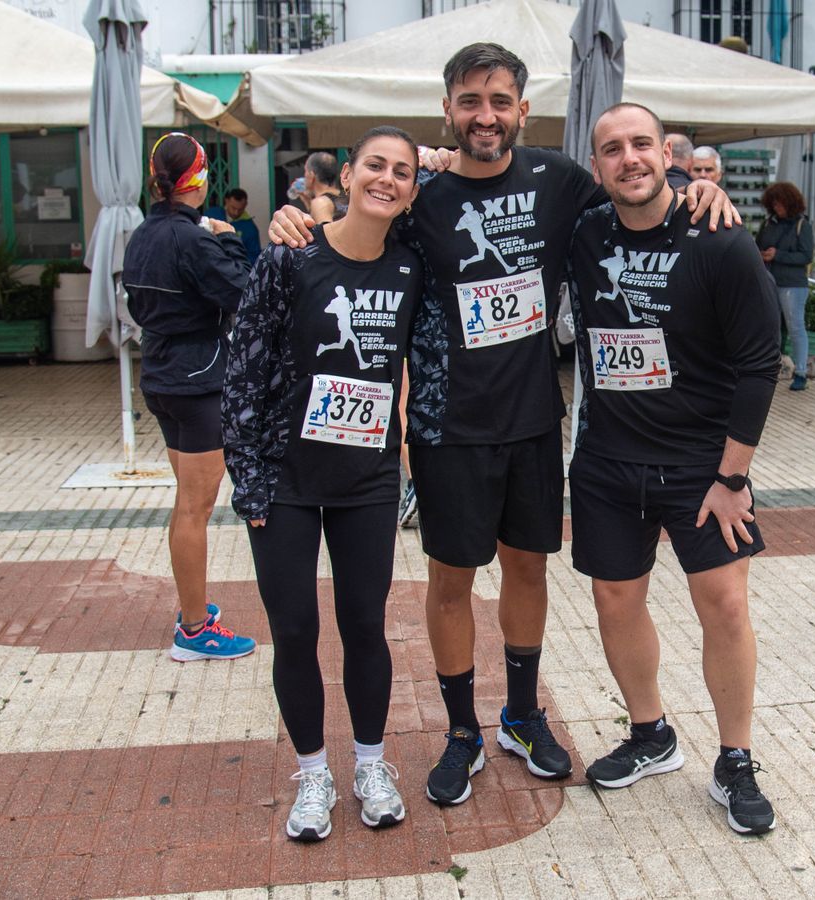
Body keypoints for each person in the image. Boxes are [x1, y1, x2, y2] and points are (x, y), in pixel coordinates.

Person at [266, 42, 736, 808]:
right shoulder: (422, 194)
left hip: (531, 423)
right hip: (446, 427)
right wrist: (300, 214)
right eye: (469, 101)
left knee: (528, 569)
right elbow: (356, 228)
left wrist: (695, 189)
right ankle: (461, 732)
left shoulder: (560, 180)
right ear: (447, 110)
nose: (484, 115)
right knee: (452, 582)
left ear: (522, 109)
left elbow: (637, 187)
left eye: (499, 101)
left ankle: (520, 715)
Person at [568, 102, 780, 834]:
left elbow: (759, 363)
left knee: (723, 603)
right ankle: (650, 733)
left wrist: (732, 477)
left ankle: (736, 758)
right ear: (596, 167)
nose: (628, 159)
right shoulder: (584, 233)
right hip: (607, 460)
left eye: (640, 145)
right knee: (614, 602)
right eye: (611, 150)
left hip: (702, 465)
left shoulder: (717, 238)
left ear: (668, 154)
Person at [224, 125, 424, 843]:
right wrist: (247, 478)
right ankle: (313, 775)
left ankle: (371, 765)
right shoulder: (290, 256)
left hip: (366, 480)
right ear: (346, 174)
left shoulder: (413, 262)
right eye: (376, 165)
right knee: (296, 630)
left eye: (403, 171)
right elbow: (243, 370)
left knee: (364, 627)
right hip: (284, 479)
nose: (388, 180)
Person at [123, 132, 257, 664]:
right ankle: (194, 628)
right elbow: (245, 294)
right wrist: (227, 238)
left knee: (187, 504)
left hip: (159, 373)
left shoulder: (141, 234)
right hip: (197, 378)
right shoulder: (195, 238)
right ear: (198, 179)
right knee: (194, 508)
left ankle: (193, 609)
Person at [756, 181, 815, 391]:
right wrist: (762, 255)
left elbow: (807, 256)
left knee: (795, 327)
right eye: (774, 204)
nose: (777, 207)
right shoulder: (769, 224)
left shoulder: (802, 225)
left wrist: (778, 255)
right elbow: (757, 246)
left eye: (780, 204)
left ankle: (801, 372)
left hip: (793, 284)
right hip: (770, 280)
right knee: (773, 328)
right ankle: (774, 368)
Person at [205, 187, 262, 263]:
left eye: (240, 209)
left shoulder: (250, 228)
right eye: (233, 208)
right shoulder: (211, 215)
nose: (236, 212)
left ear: (245, 205)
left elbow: (254, 256)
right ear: (227, 201)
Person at [305, 152, 344, 224]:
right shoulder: (345, 196)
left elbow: (326, 234)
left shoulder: (320, 203)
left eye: (305, 171)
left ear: (311, 175)